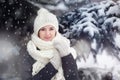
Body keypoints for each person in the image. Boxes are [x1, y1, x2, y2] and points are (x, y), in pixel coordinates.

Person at [27, 8, 79, 80]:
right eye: (43, 29)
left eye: (51, 29)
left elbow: (73, 78)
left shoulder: (65, 48)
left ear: (56, 30)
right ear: (37, 32)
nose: (47, 33)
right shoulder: (30, 51)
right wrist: (53, 66)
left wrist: (66, 57)